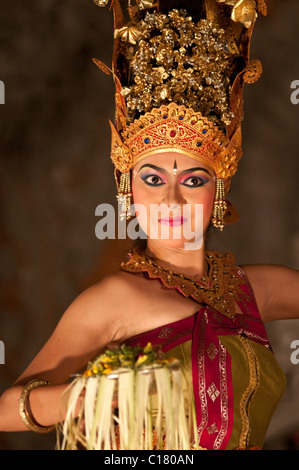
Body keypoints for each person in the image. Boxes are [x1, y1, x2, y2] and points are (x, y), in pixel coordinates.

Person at [0, 0, 298, 450]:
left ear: (218, 189)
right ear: (128, 189)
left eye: (192, 180)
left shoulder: (253, 290)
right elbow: (7, 410)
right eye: (153, 179)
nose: (171, 199)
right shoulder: (113, 300)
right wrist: (89, 396)